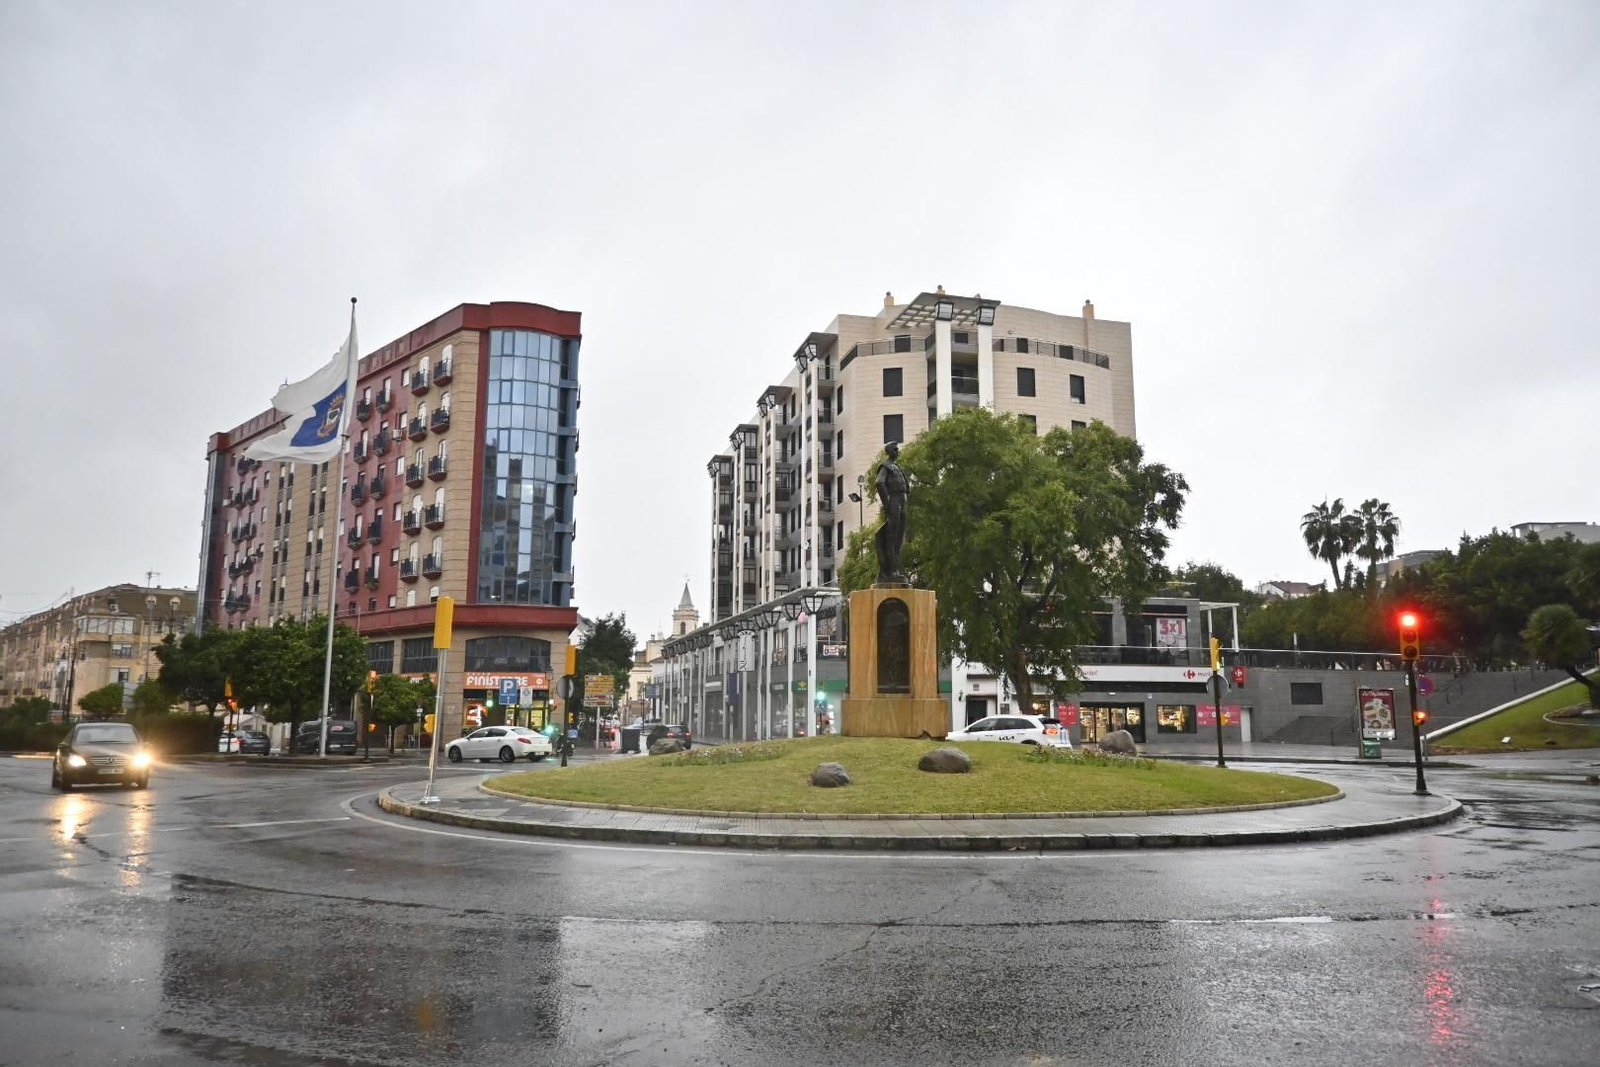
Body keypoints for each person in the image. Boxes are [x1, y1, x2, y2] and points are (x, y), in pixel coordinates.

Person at [875, 441, 909, 584]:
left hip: (902, 500)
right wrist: (887, 504)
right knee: (892, 537)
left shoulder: (896, 466)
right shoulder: (886, 466)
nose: (897, 451)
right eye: (895, 449)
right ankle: (890, 571)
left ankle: (895, 569)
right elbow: (879, 482)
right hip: (894, 500)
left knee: (899, 537)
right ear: (889, 451)